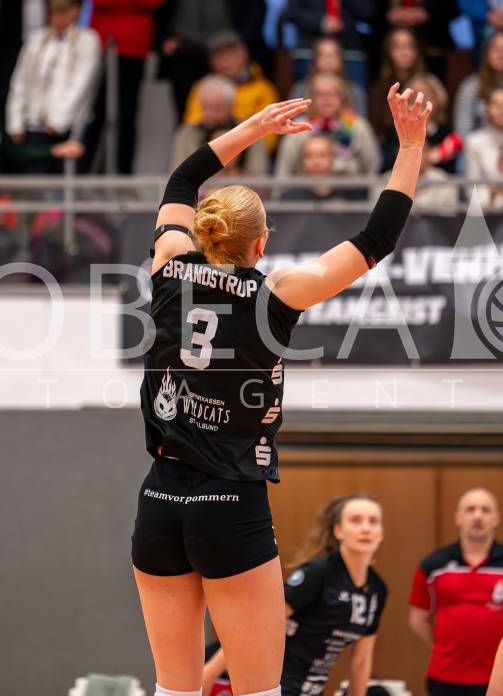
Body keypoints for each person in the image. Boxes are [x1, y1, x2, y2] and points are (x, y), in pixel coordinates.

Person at [130, 83, 431, 696]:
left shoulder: (168, 261)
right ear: (261, 244)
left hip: (159, 498)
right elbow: (377, 239)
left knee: (172, 689)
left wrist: (253, 128)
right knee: (262, 690)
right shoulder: (276, 294)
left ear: (205, 233)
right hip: (231, 502)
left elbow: (182, 181)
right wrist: (410, 146)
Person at [202, 495, 387, 696]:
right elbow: (260, 626)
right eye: (356, 520)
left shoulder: (377, 590)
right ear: (338, 530)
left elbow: (361, 660)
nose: (366, 528)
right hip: (277, 682)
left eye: (373, 521)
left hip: (312, 688)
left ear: (381, 533)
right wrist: (210, 672)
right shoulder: (318, 573)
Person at [86, 0, 166, 175]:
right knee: (97, 113)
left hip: (135, 49)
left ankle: (123, 175)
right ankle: (86, 174)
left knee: (128, 114)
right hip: (103, 49)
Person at [0, 0, 81, 156]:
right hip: (12, 37)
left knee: (50, 93)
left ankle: (49, 153)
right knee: (12, 95)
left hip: (51, 37)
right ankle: (13, 155)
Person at [409, 487, 503, 696]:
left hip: (498, 677)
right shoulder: (433, 565)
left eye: (485, 510)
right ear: (458, 517)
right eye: (470, 509)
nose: (477, 516)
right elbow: (418, 619)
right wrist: (444, 647)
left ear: (497, 518)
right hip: (445, 677)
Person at [4, 0, 100, 175]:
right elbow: (20, 82)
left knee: (62, 180)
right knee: (32, 178)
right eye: (54, 13)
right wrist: (15, 122)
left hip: (68, 126)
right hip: (33, 124)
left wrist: (56, 121)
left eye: (63, 13)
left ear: (75, 10)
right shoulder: (36, 39)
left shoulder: (87, 40)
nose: (57, 19)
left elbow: (79, 85)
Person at [275, 73, 379, 198]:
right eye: (320, 95)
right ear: (311, 99)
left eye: (332, 94)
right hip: (304, 194)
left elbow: (372, 168)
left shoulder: (359, 126)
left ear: (342, 98)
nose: (327, 100)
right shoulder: (297, 127)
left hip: (349, 195)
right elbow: (284, 170)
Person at [183, 33, 279, 155]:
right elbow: (192, 121)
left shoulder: (263, 88)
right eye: (219, 57)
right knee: (184, 135)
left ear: (243, 55)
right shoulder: (202, 86)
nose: (225, 62)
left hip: (247, 149)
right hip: (206, 145)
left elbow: (269, 136)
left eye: (230, 56)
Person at [171, 74, 269, 177]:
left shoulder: (251, 132)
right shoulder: (185, 135)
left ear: (231, 106)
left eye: (217, 108)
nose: (211, 114)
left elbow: (259, 176)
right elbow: (178, 176)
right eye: (205, 107)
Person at [382, 73, 462, 175]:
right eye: (415, 95)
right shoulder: (396, 130)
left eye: (427, 95)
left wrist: (433, 156)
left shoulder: (446, 132)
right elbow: (388, 162)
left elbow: (451, 169)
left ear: (438, 99)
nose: (421, 101)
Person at [370, 27, 425, 143]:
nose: (404, 52)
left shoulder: (425, 85)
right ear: (388, 51)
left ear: (417, 51)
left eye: (410, 46)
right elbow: (377, 129)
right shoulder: (379, 88)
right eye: (397, 46)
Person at [289, 37, 367, 117]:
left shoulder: (355, 91)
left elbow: (360, 120)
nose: (328, 60)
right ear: (315, 59)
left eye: (333, 55)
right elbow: (293, 119)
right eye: (323, 55)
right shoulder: (300, 90)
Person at [454, 31, 503, 138]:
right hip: (479, 145)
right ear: (486, 53)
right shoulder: (470, 86)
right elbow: (462, 131)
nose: (500, 54)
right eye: (496, 49)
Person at [464, 87, 503, 208]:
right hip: (488, 212)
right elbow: (472, 190)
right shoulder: (474, 142)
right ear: (486, 109)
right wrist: (492, 194)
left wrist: (496, 190)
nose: (501, 110)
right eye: (496, 104)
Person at [280, 134, 340, 202]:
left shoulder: (347, 194)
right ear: (301, 161)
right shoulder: (289, 198)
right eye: (309, 156)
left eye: (322, 155)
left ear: (333, 158)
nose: (316, 162)